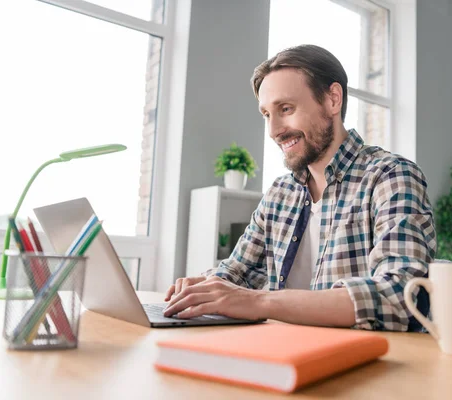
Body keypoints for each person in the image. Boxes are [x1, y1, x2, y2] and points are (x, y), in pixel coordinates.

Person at [163, 44, 436, 331]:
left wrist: (260, 302)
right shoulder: (281, 193)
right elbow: (236, 273)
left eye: (286, 109)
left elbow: (400, 297)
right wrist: (202, 287)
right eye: (267, 114)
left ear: (333, 100)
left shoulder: (390, 177)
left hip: (368, 365)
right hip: (283, 355)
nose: (274, 130)